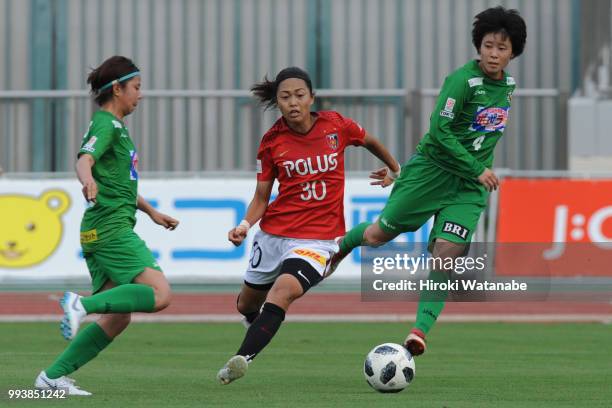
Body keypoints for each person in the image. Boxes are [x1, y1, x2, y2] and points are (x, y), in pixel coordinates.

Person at [329, 6, 527, 356]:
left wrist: (477, 171)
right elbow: (440, 131)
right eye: (488, 46)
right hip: (431, 173)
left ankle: (419, 330)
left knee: (445, 256)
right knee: (377, 236)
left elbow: (485, 134)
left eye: (502, 48)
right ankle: (342, 245)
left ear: (513, 52)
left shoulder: (509, 86)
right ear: (477, 46)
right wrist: (475, 166)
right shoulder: (461, 81)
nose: (494, 53)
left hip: (467, 189)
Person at [217, 67, 401, 384]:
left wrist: (393, 168)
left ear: (311, 98)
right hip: (274, 235)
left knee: (283, 291)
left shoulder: (336, 125)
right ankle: (258, 324)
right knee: (246, 303)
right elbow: (261, 196)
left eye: (300, 95)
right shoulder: (272, 141)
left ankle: (240, 359)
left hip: (318, 240)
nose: (293, 102)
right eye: (285, 97)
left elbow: (369, 139)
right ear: (277, 102)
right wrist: (245, 225)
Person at [34, 56, 179, 395]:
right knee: (160, 294)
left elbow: (117, 181)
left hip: (100, 229)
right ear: (117, 88)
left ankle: (50, 379)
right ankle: (79, 304)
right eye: (137, 88)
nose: (140, 95)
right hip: (110, 229)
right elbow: (84, 160)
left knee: (118, 316)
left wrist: (150, 212)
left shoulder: (114, 127)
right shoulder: (106, 125)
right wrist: (86, 181)